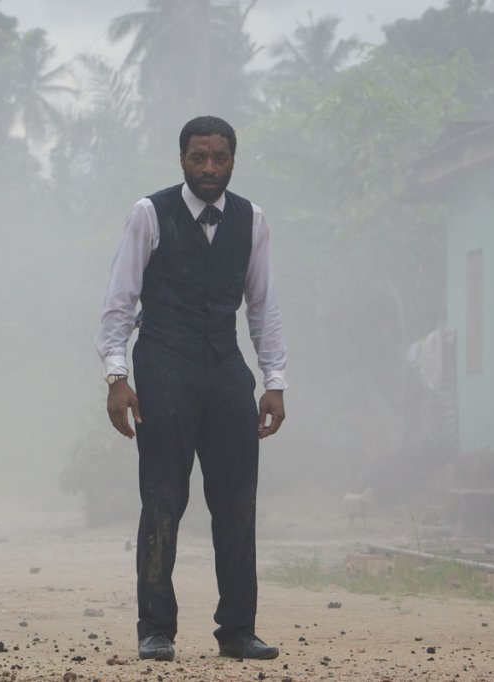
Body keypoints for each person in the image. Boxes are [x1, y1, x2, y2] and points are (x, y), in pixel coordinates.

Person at [95, 116, 287, 662]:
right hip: (163, 367)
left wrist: (274, 380)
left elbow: (264, 305)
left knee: (236, 503)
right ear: (182, 159)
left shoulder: (252, 219)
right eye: (199, 158)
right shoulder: (149, 214)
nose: (209, 168)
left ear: (232, 160)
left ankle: (238, 631)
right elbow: (119, 300)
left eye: (219, 158)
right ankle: (155, 629)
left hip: (226, 369)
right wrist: (117, 376)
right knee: (162, 500)